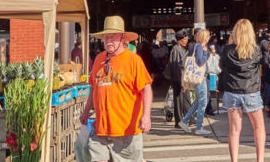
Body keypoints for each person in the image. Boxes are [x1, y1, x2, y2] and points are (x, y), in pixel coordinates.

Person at [79, 15, 152, 162]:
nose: (108, 41)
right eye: (106, 37)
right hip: (100, 130)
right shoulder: (100, 59)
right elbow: (94, 87)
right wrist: (86, 111)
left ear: (122, 38)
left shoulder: (133, 60)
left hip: (126, 132)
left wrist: (146, 116)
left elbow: (146, 88)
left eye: (113, 37)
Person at [219, 19, 265, 162]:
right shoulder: (256, 50)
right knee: (259, 128)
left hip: (232, 91)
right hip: (251, 91)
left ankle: (234, 160)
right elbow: (260, 66)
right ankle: (260, 160)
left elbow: (222, 66)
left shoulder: (227, 50)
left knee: (234, 130)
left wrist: (231, 41)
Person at [178, 29, 211, 135]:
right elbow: (200, 61)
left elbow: (183, 61)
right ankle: (199, 127)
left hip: (196, 78)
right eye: (207, 36)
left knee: (198, 102)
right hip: (200, 78)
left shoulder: (195, 46)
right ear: (204, 37)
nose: (208, 38)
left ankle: (184, 121)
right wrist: (206, 52)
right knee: (203, 103)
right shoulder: (201, 47)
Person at [165, 29, 191, 127]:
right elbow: (178, 68)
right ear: (180, 40)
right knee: (179, 101)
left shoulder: (180, 48)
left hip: (181, 79)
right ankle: (179, 122)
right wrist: (182, 83)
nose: (187, 41)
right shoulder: (177, 49)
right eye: (185, 39)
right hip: (178, 79)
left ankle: (188, 119)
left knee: (185, 99)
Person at [205, 44, 221, 116]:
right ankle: (208, 108)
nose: (213, 52)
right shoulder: (208, 56)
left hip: (213, 75)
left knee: (211, 92)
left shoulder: (216, 56)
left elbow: (218, 67)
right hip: (209, 75)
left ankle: (209, 108)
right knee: (208, 92)